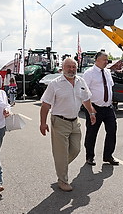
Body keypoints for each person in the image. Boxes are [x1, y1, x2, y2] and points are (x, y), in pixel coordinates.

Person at [39, 57, 96, 192]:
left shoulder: (81, 81)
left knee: (76, 149)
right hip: (59, 122)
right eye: (68, 67)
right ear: (62, 68)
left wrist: (92, 113)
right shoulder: (55, 84)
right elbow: (46, 104)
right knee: (61, 153)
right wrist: (42, 123)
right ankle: (62, 180)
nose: (71, 69)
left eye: (73, 67)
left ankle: (61, 166)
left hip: (74, 122)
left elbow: (86, 100)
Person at [82, 51, 119, 166]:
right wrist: (90, 109)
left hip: (108, 108)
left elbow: (110, 87)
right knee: (92, 133)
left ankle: (108, 156)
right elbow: (84, 92)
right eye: (104, 60)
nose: (106, 62)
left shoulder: (107, 72)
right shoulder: (89, 73)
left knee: (112, 131)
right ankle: (89, 157)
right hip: (94, 108)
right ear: (97, 60)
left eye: (107, 60)